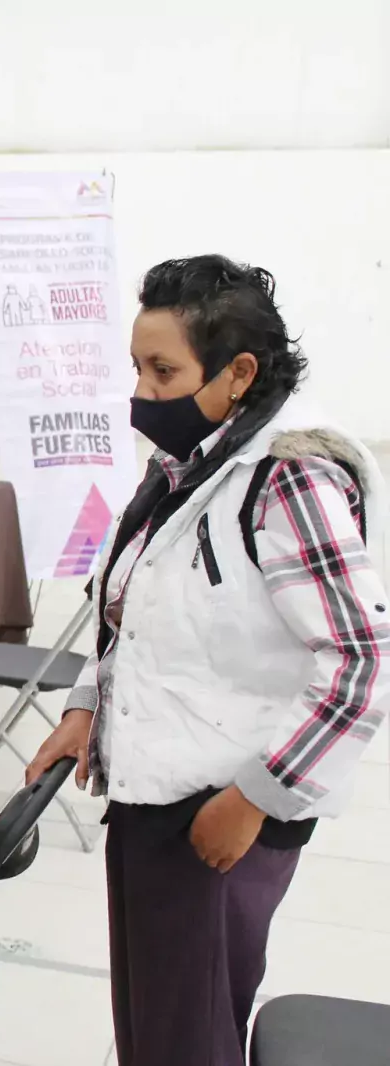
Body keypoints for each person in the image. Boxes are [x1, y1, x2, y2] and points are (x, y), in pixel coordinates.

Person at [26, 255, 390, 1066]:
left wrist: (257, 797)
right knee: (159, 1028)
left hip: (217, 814)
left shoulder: (286, 479)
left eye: (163, 371)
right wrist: (85, 706)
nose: (142, 394)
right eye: (136, 368)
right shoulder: (189, 468)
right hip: (155, 793)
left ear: (239, 373)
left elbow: (362, 660)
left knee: (189, 1040)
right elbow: (134, 610)